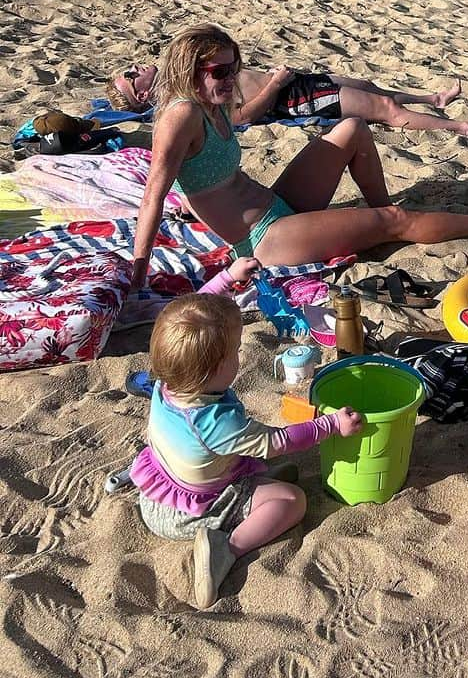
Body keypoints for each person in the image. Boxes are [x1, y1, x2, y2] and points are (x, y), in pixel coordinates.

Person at [130, 24, 468, 289]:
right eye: (221, 72)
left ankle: (378, 215)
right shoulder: (180, 116)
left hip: (277, 205)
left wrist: (270, 86)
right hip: (263, 240)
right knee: (396, 222)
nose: (231, 79)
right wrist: (138, 268)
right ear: (190, 69)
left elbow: (241, 118)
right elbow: (153, 195)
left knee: (353, 129)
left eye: (234, 68)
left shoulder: (212, 102)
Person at [130, 260, 363, 607]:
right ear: (214, 368)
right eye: (236, 352)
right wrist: (331, 425)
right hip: (191, 511)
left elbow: (190, 312)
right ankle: (226, 548)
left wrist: (226, 279)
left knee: (254, 474)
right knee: (291, 501)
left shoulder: (168, 379)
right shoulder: (216, 422)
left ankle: (249, 488)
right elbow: (277, 442)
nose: (240, 355)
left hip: (157, 489)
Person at [109, 59, 468, 138]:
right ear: (142, 94)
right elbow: (243, 117)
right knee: (384, 110)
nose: (134, 66)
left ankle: (433, 99)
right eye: (130, 76)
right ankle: (466, 127)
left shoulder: (177, 71)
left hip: (293, 83)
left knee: (367, 86)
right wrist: (275, 85)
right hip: (291, 99)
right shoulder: (185, 97)